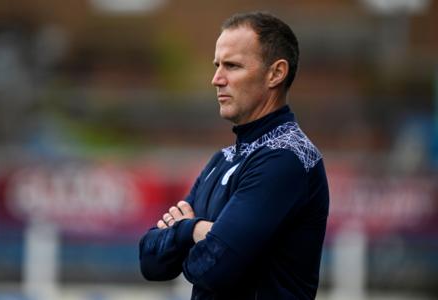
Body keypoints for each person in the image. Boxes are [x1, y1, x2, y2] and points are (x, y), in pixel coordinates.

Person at [139, 11, 329, 300]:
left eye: (232, 66)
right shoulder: (223, 159)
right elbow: (151, 261)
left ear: (276, 73)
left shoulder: (287, 158)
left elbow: (213, 268)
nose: (216, 79)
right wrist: (199, 232)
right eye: (217, 65)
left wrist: (184, 229)